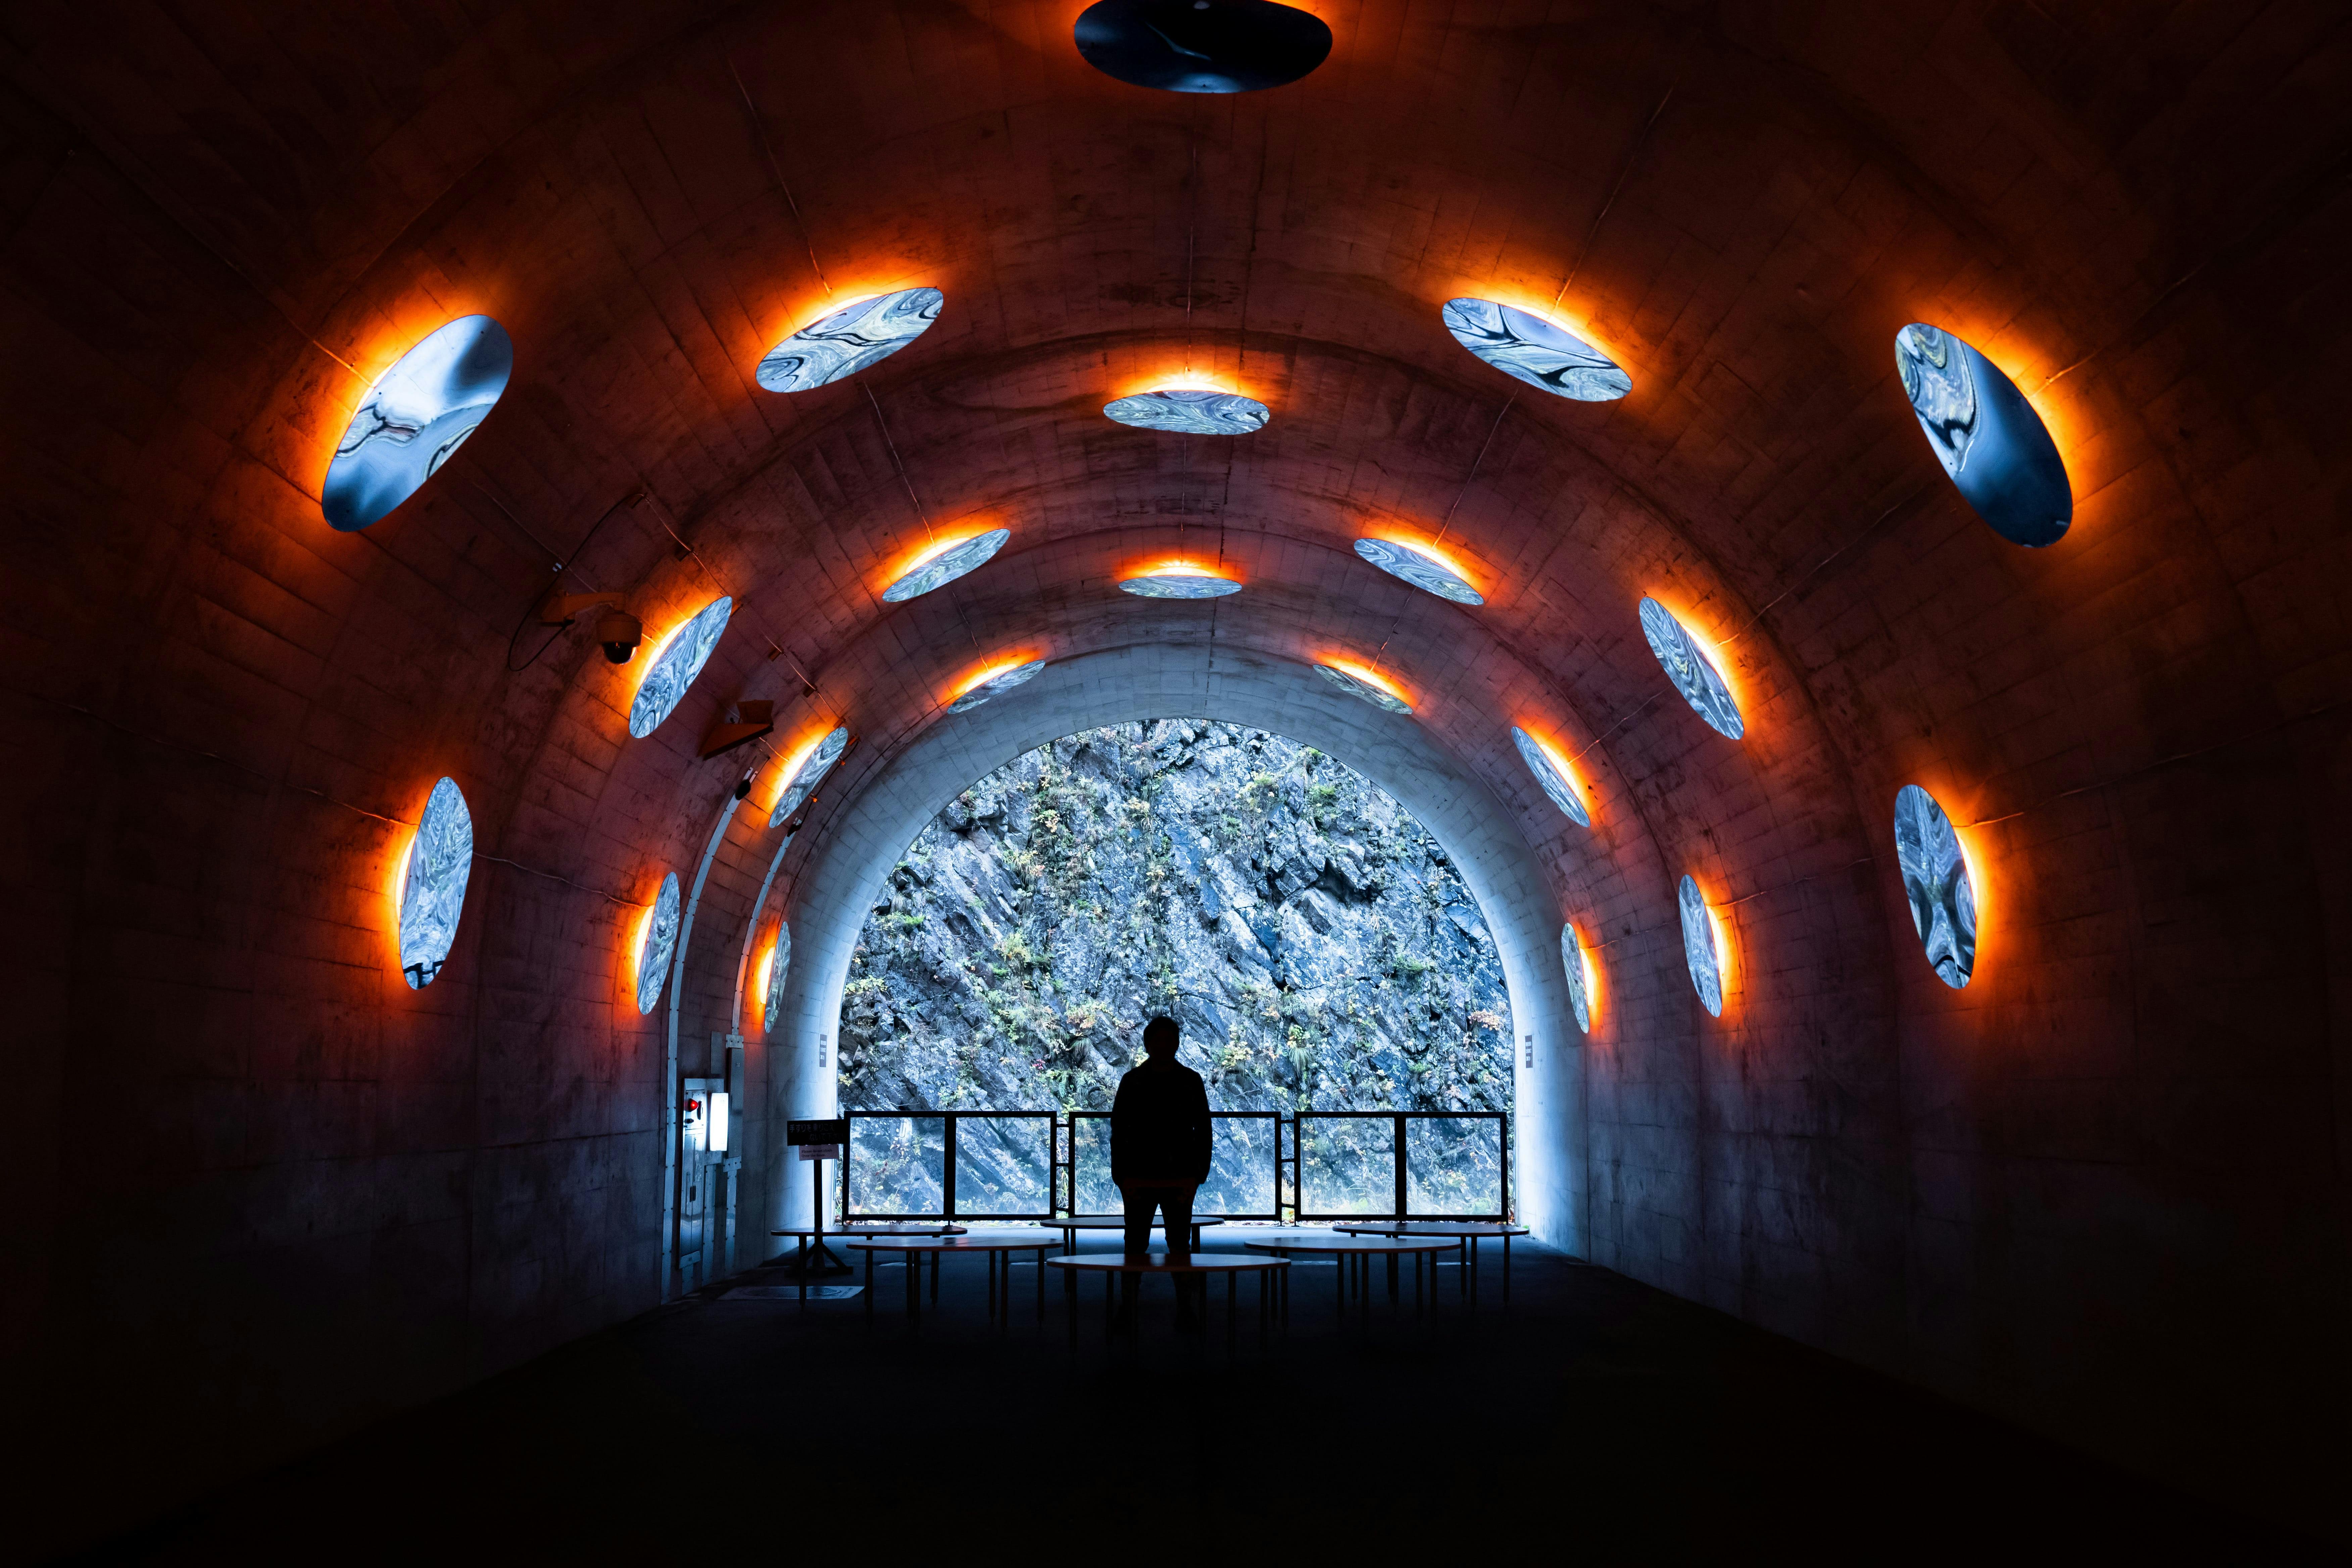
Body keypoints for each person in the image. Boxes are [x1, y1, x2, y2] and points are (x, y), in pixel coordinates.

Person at [1111, 1015, 1211, 1268]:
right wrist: (1121, 1177)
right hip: (1143, 1176)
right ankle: (1171, 1305)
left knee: (1174, 1243)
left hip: (1174, 1176)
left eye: (1169, 1040)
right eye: (1159, 1040)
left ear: (1177, 1044)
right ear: (1148, 1044)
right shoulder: (1135, 1081)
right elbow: (1119, 1131)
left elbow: (1204, 1131)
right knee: (1139, 1243)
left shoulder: (1184, 1081)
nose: (1164, 1045)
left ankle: (1137, 1304)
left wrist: (1197, 1175)